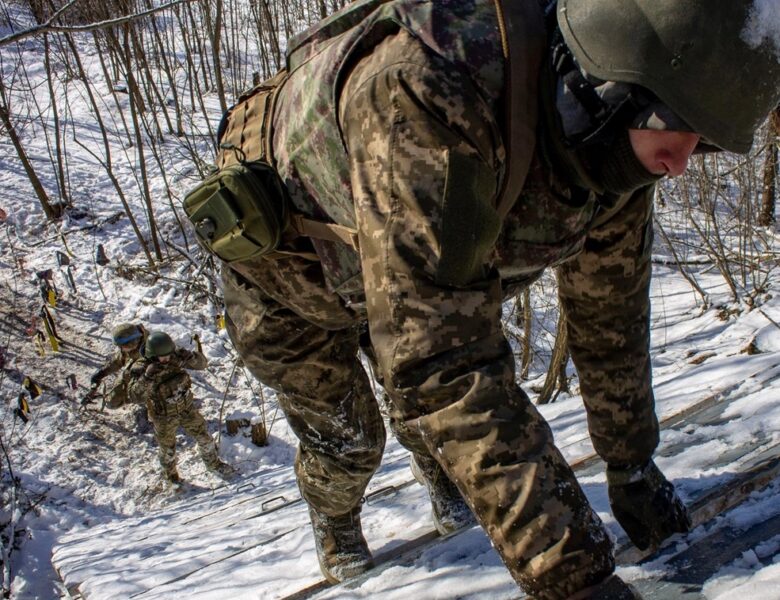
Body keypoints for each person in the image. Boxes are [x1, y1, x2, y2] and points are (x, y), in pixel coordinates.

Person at [198, 0, 780, 597]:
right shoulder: (429, 91)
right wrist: (575, 579)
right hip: (294, 290)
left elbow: (611, 312)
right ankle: (337, 524)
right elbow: (444, 362)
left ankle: (446, 487)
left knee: (428, 425)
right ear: (611, 83)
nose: (682, 163)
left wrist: (630, 461)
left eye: (702, 142)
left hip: (406, 274)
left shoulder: (612, 140)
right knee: (350, 446)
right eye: (674, 124)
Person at [126, 331, 233, 483]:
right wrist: (146, 378)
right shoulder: (141, 368)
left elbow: (202, 364)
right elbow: (135, 396)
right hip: (163, 415)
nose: (167, 359)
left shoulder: (174, 356)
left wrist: (191, 357)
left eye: (168, 355)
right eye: (163, 357)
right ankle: (172, 478)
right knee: (167, 449)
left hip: (186, 408)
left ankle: (214, 464)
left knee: (204, 437)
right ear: (152, 355)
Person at [83, 322, 147, 409]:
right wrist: (101, 374)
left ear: (132, 343)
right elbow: (117, 361)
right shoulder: (132, 346)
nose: (121, 349)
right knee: (112, 403)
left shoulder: (154, 350)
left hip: (150, 383)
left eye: (122, 346)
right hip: (131, 377)